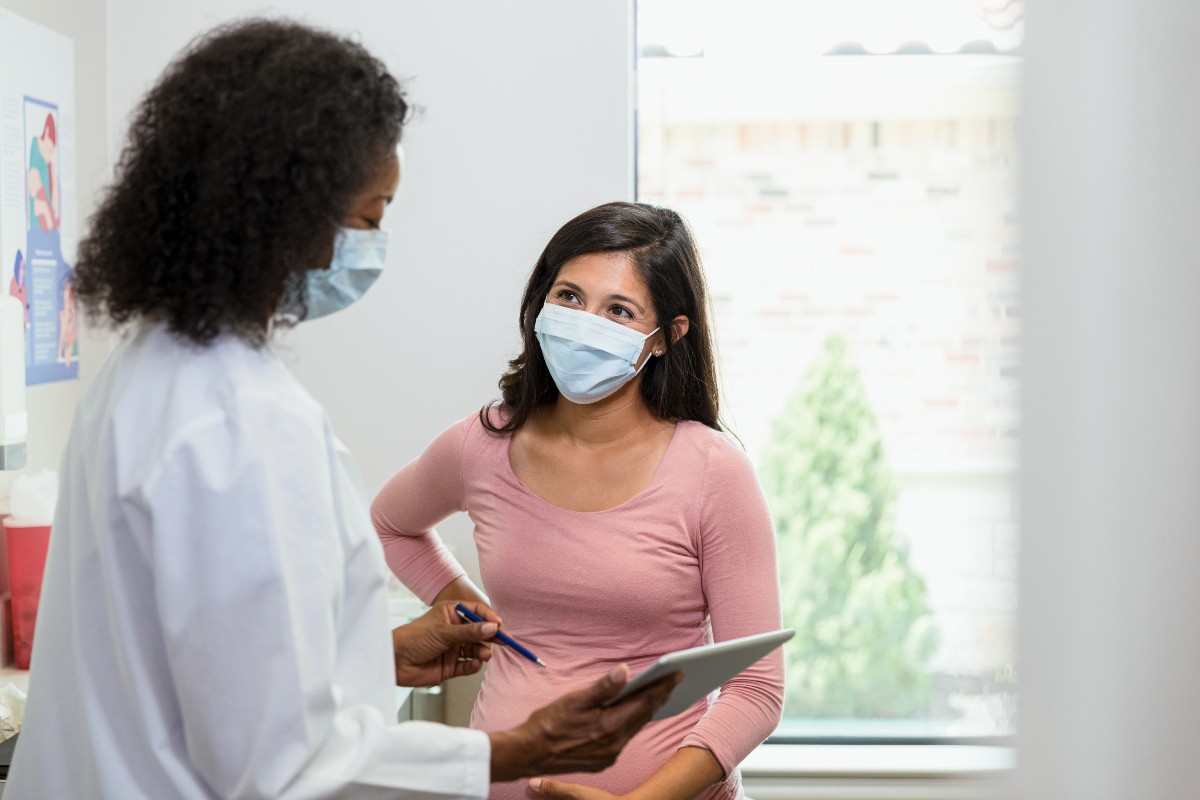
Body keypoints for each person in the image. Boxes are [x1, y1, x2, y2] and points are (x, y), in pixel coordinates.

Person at [5, 21, 678, 800]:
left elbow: (200, 666)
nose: (374, 244)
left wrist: (376, 655)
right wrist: (520, 750)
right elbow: (279, 766)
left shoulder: (143, 373)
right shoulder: (242, 424)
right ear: (278, 214)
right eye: (368, 217)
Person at [372, 201, 785, 800]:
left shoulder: (713, 471)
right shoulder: (483, 442)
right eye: (569, 297)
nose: (585, 322)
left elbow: (758, 689)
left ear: (667, 337)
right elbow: (391, 525)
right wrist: (469, 609)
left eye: (618, 310)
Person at [27, 113, 59, 232]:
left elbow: (54, 203)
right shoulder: (35, 151)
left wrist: (53, 168)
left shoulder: (48, 164)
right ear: (46, 133)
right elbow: (36, 189)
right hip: (37, 226)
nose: (50, 156)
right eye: (50, 150)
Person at [58, 271, 78, 367]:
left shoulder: (76, 321)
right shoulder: (62, 317)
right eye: (66, 289)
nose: (68, 294)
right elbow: (60, 352)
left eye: (70, 291)